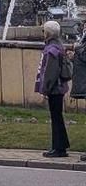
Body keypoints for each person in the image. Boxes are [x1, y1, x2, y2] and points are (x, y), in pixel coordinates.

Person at [36, 21, 70, 158]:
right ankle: (61, 145)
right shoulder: (58, 46)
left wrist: (45, 89)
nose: (42, 33)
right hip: (59, 87)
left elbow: (50, 72)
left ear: (48, 33)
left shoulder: (52, 50)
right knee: (58, 117)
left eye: (43, 31)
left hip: (55, 89)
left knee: (56, 118)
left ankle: (58, 148)